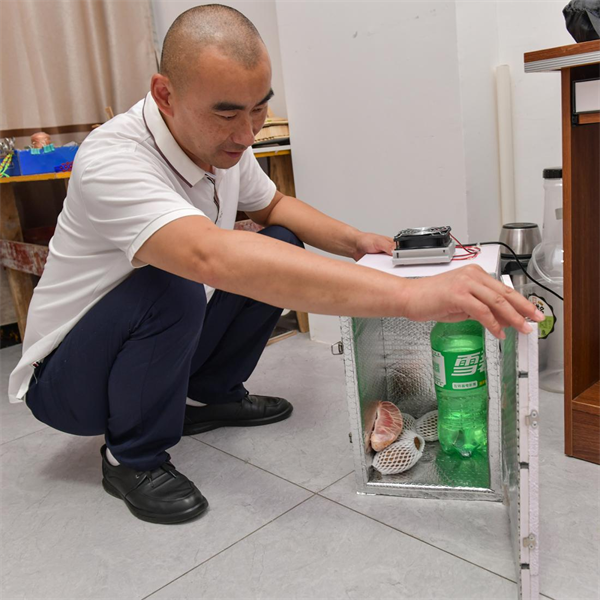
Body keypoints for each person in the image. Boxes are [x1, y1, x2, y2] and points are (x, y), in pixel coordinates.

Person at [8, 4, 543, 525]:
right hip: (69, 384)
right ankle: (130, 458)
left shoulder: (221, 147)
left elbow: (275, 207)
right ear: (165, 95)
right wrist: (411, 297)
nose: (247, 135)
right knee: (177, 281)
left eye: (258, 109)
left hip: (149, 342)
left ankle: (209, 395)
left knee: (282, 241)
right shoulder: (113, 160)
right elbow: (208, 255)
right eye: (226, 114)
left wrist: (357, 242)